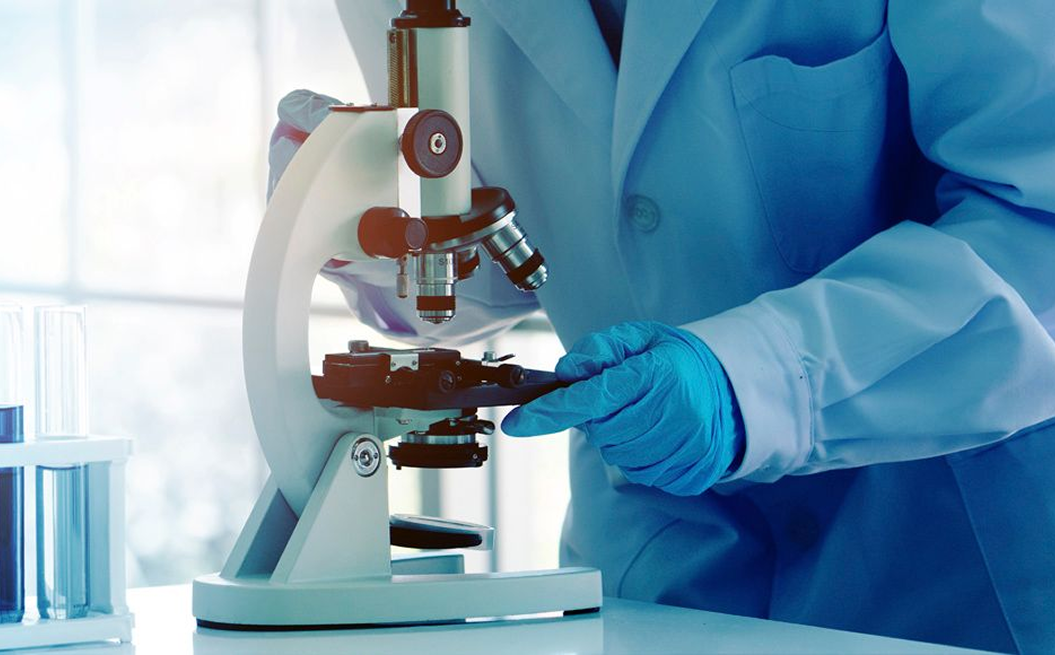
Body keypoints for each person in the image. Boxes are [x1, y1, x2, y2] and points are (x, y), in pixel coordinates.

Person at [269, 1, 1055, 651]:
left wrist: (758, 380)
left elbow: (1036, 221)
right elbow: (491, 245)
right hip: (654, 575)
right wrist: (361, 226)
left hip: (951, 567)